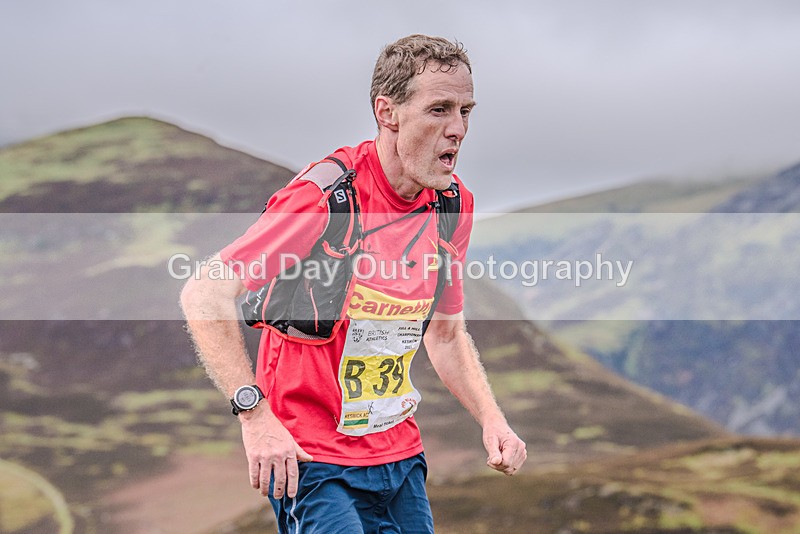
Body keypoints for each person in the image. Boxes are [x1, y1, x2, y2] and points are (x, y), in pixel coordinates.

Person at [180, 34, 526, 533]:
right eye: (439, 110)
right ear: (388, 112)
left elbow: (445, 334)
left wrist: (492, 420)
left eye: (466, 110)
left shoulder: (452, 205)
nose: (458, 129)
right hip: (312, 461)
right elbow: (204, 291)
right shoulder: (325, 198)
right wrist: (254, 415)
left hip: (400, 458)